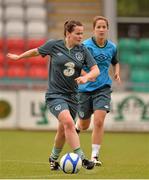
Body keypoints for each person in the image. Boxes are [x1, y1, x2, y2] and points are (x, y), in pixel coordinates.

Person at [7, 20, 100, 170]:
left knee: (63, 130)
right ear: (68, 33)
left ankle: (53, 158)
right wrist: (19, 57)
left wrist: (86, 77)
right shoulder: (54, 45)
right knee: (69, 123)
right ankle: (82, 159)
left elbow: (96, 70)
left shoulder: (83, 50)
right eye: (78, 33)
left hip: (73, 97)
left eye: (82, 33)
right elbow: (35, 51)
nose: (81, 36)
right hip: (55, 95)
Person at [75, 16, 121, 166]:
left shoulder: (112, 47)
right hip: (85, 90)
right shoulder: (85, 46)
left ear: (107, 29)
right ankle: (77, 126)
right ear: (94, 29)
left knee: (99, 121)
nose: (101, 30)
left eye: (104, 27)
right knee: (84, 125)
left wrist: (117, 72)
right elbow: (77, 65)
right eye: (98, 27)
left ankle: (94, 156)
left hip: (103, 88)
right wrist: (86, 76)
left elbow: (115, 61)